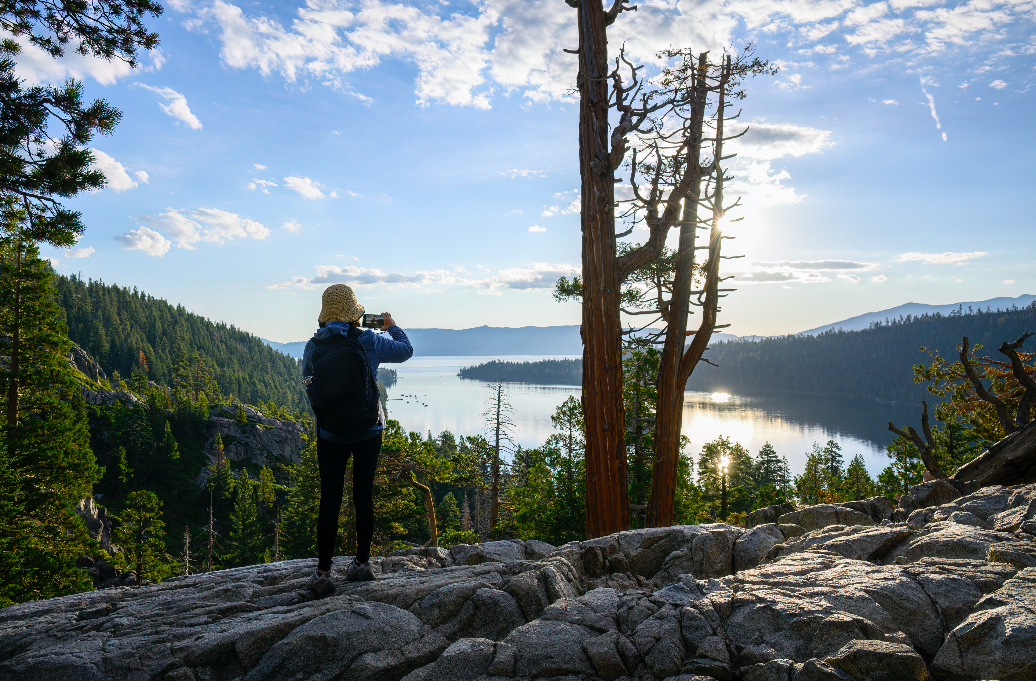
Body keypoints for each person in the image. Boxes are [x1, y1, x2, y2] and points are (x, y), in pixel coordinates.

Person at [302, 284, 413, 595]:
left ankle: (323, 574)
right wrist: (392, 327)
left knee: (330, 500)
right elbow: (405, 350)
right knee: (362, 495)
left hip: (329, 433)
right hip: (368, 430)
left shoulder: (313, 346)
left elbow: (309, 385)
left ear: (325, 314)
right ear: (355, 314)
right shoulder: (368, 338)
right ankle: (361, 565)